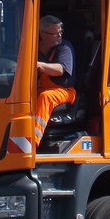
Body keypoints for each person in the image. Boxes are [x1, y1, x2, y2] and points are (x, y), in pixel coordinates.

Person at [35, 15, 75, 146]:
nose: (59, 36)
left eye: (60, 32)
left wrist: (39, 65)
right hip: (40, 87)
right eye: (55, 33)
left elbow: (60, 69)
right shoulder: (34, 48)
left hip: (64, 91)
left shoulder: (64, 47)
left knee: (45, 97)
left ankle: (33, 140)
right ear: (43, 34)